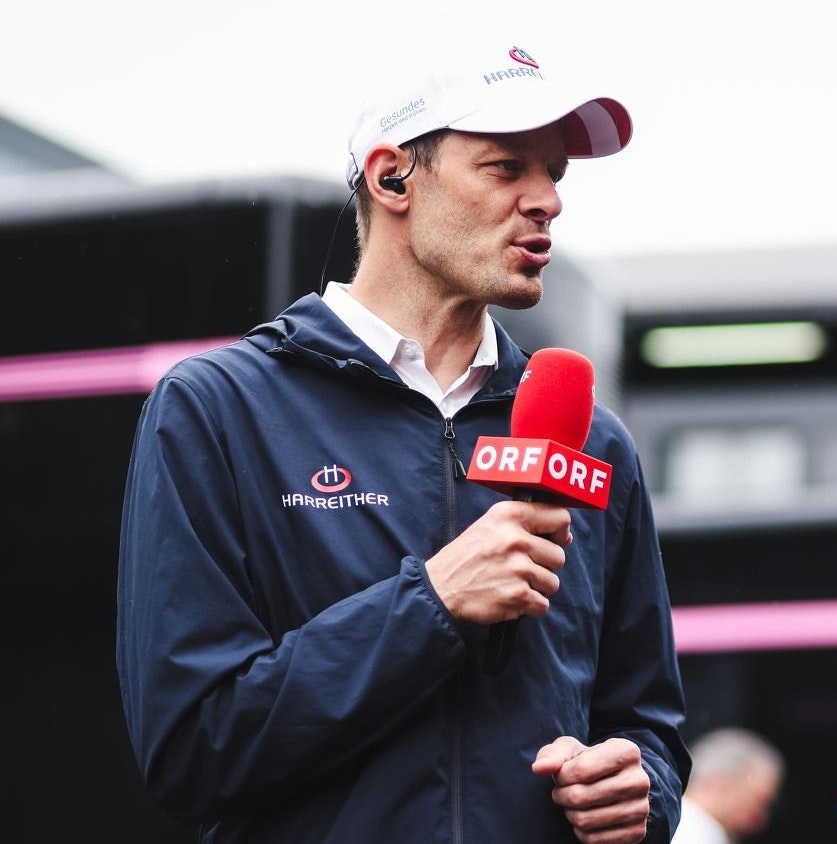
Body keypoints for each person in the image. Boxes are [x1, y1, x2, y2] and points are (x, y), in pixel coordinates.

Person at [116, 34, 689, 844]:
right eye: (506, 168)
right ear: (393, 178)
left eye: (553, 174)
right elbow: (192, 750)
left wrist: (643, 790)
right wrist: (433, 603)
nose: (547, 201)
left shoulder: (598, 442)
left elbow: (647, 726)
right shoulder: (218, 408)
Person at [672, 728, 784, 844]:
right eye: (758, 804)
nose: (759, 821)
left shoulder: (664, 820)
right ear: (720, 784)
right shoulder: (698, 835)